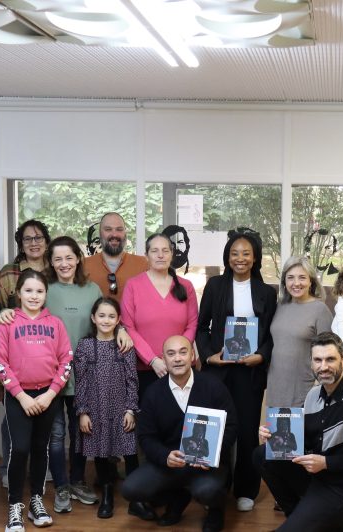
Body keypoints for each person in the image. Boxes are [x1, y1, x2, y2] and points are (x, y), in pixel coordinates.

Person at [0, 236, 113, 511]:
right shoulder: (42, 287)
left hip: (84, 373)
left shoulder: (92, 289)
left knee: (82, 431)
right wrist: (4, 311)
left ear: (77, 259)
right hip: (49, 380)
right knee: (56, 434)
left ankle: (77, 481)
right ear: (51, 261)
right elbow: (21, 313)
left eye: (69, 257)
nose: (64, 263)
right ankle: (61, 485)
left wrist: (123, 334)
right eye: (57, 258)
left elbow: (106, 320)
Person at [255, 332, 343, 531]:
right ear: (312, 362)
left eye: (330, 359)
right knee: (261, 455)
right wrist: (273, 437)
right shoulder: (313, 395)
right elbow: (304, 441)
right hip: (316, 479)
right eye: (318, 360)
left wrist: (327, 463)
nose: (323, 367)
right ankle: (298, 515)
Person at [121, 335, 237, 532]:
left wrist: (212, 455)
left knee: (208, 490)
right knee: (131, 488)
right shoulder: (153, 393)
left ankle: (216, 510)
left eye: (183, 352)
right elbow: (146, 436)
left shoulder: (213, 386)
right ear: (163, 359)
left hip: (206, 466)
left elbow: (232, 427)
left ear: (192, 355)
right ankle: (177, 497)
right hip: (170, 463)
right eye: (171, 354)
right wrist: (164, 456)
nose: (177, 358)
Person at [198, 230, 278, 513]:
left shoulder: (268, 292)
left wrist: (261, 356)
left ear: (255, 258)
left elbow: (271, 333)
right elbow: (201, 327)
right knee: (215, 429)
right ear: (227, 257)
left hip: (250, 372)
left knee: (246, 432)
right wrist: (209, 356)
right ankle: (213, 488)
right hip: (219, 370)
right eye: (235, 253)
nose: (240, 258)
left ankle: (246, 489)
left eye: (246, 253)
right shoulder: (215, 286)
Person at [0, 269, 74, 532]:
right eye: (28, 290)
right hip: (19, 397)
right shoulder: (7, 322)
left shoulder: (56, 324)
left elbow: (66, 360)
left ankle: (36, 499)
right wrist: (22, 396)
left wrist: (51, 393)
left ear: (46, 294)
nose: (34, 296)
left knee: (42, 448)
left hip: (47, 396)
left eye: (39, 291)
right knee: (21, 449)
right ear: (18, 292)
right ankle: (15, 504)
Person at [74, 297, 139, 519]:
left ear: (119, 320)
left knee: (130, 451)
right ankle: (108, 495)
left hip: (121, 408)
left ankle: (136, 499)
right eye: (101, 315)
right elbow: (79, 380)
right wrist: (82, 412)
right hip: (95, 408)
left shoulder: (125, 345)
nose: (106, 320)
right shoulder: (85, 345)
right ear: (93, 318)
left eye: (111, 316)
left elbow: (132, 380)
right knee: (101, 453)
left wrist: (131, 409)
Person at [122, 233, 199, 396]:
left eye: (165, 250)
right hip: (145, 370)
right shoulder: (133, 285)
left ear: (172, 254)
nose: (160, 255)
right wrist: (152, 360)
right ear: (146, 256)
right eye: (154, 251)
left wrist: (178, 356)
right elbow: (129, 327)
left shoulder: (186, 286)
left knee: (182, 419)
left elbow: (192, 324)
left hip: (181, 368)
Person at [267, 256, 334, 408]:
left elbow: (329, 353)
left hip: (306, 390)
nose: (296, 283)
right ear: (284, 281)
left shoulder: (320, 310)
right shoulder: (280, 306)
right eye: (290, 278)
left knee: (303, 432)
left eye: (302, 278)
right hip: (276, 389)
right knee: (278, 432)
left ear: (311, 281)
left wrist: (319, 386)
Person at [83, 212, 148, 299]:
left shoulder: (144, 264)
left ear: (125, 233)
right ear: (99, 233)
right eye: (108, 229)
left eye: (119, 229)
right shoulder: (83, 265)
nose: (114, 234)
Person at [0, 219, 51, 309]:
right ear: (21, 247)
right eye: (27, 239)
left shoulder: (55, 271)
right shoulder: (8, 273)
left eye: (38, 238)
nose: (33, 243)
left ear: (46, 244)